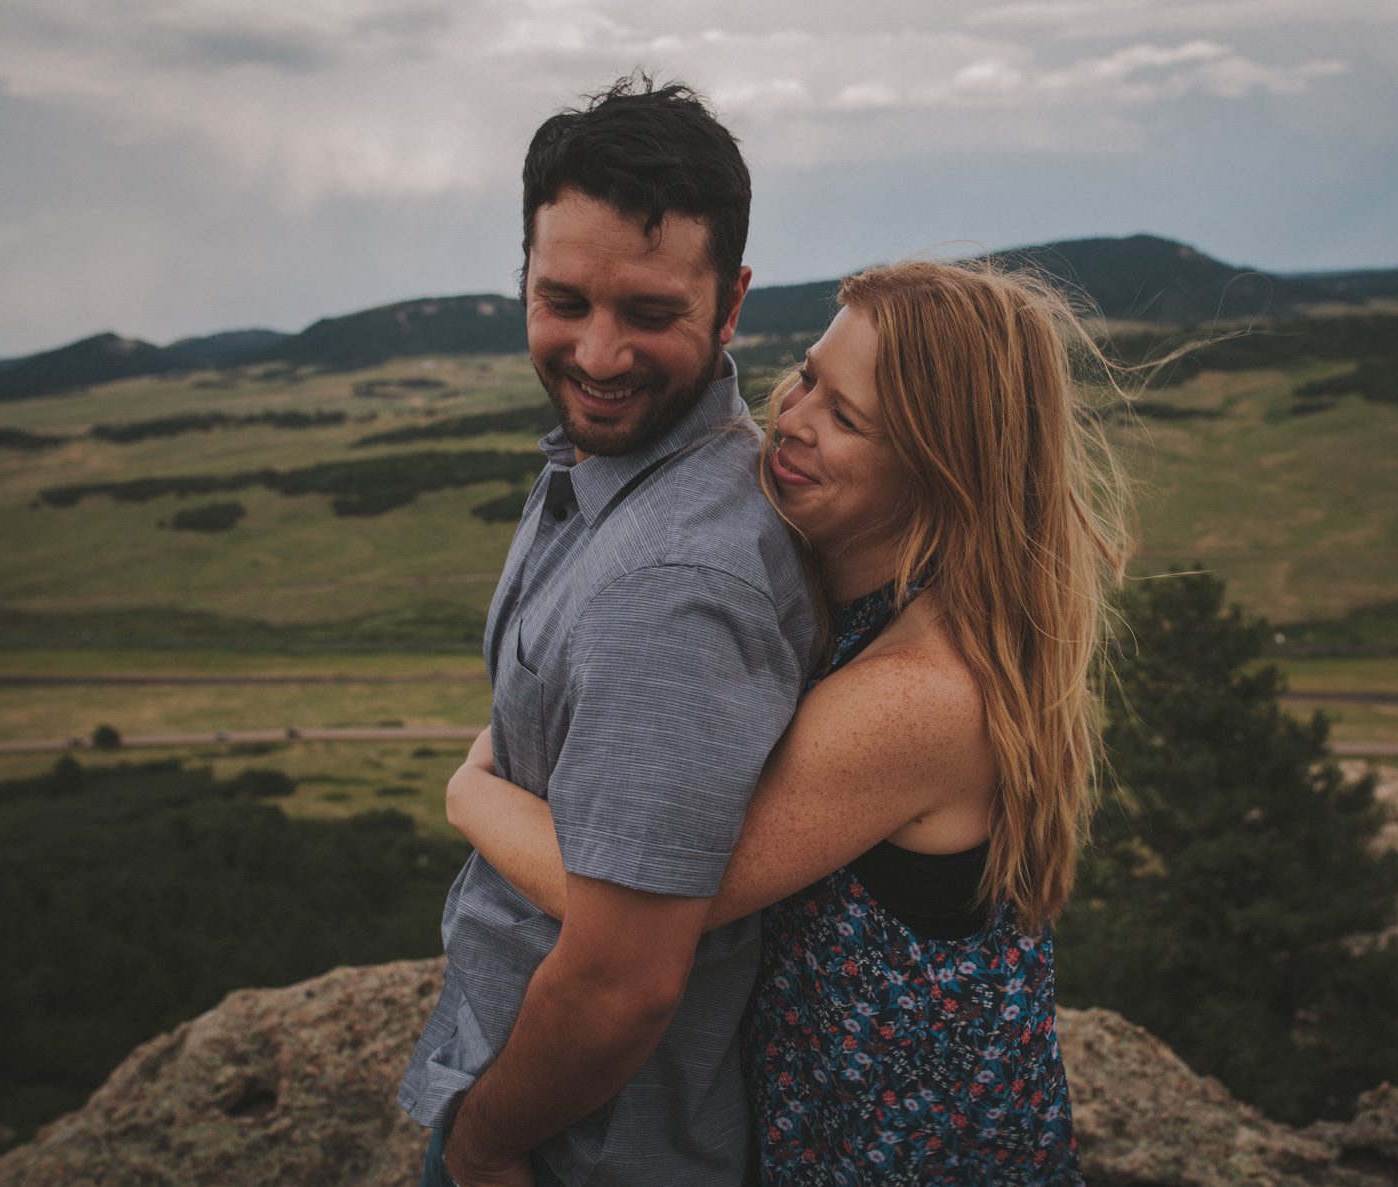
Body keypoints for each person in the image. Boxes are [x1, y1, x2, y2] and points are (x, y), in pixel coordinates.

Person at [450, 259, 1133, 1183]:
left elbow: (642, 909)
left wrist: (469, 792)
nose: (795, 417)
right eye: (810, 374)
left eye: (847, 417)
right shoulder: (865, 604)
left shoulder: (918, 694)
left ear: (943, 469)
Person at [398, 75, 816, 1187]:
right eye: (564, 299)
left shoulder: (674, 582)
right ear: (523, 280)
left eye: (649, 312)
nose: (595, 354)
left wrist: (485, 1143)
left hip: (576, 1150)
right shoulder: (609, 467)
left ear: (730, 306)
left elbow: (622, 978)